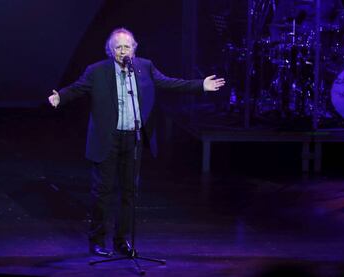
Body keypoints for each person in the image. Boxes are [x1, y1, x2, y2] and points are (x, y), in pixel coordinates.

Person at [48, 27, 225, 257]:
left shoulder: (145, 67)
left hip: (133, 139)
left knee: (130, 193)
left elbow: (170, 83)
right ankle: (98, 240)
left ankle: (122, 241)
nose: (123, 51)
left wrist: (200, 85)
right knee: (103, 192)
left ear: (134, 48)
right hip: (108, 139)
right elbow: (77, 88)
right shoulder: (97, 71)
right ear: (110, 51)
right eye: (118, 47)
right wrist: (59, 96)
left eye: (127, 46)